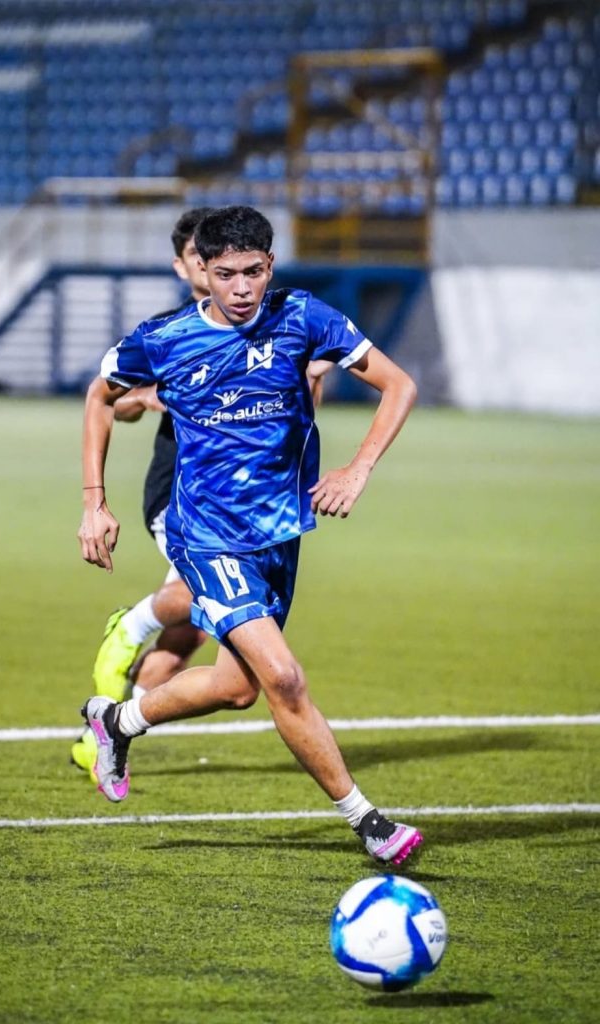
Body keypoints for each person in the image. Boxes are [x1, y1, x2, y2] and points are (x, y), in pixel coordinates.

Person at [77, 205, 422, 866]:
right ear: (200, 270)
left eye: (254, 272)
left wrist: (357, 467)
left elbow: (397, 384)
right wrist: (95, 502)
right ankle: (368, 822)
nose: (241, 288)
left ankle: (114, 721)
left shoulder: (303, 318)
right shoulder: (164, 338)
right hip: (206, 536)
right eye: (226, 274)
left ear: (270, 266)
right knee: (284, 678)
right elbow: (101, 395)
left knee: (236, 689)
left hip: (279, 533)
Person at [71, 208, 213, 775]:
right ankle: (130, 625)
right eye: (199, 256)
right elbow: (113, 401)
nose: (209, 264)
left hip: (242, 496)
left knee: (189, 637)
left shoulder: (263, 327)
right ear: (182, 266)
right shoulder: (167, 331)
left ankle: (105, 735)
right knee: (200, 593)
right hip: (178, 490)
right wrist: (148, 396)